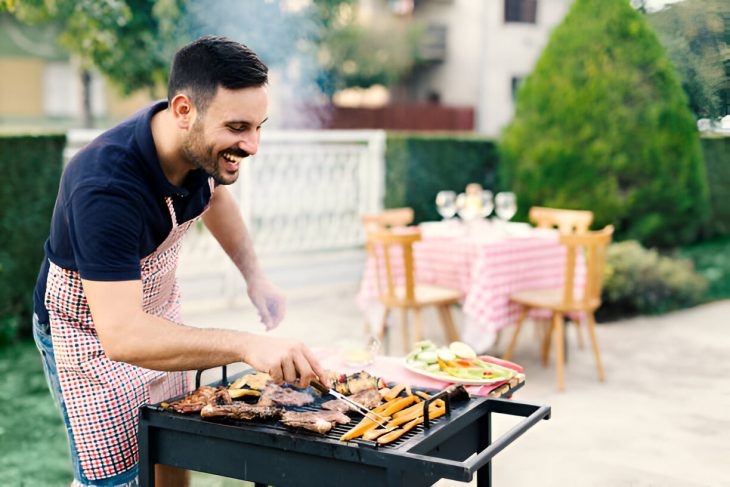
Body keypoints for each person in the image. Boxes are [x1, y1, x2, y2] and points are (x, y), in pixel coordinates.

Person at [31, 35, 328, 487]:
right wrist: (247, 345)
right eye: (237, 128)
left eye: (258, 126)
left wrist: (255, 278)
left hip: (157, 314)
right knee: (121, 478)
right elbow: (124, 335)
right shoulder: (105, 186)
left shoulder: (196, 146)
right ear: (184, 110)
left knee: (171, 446)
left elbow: (217, 199)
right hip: (93, 336)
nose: (252, 146)